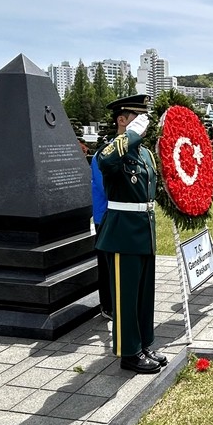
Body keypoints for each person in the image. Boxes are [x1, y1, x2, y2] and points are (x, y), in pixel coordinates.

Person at [96, 94, 166, 375]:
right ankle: (128, 352)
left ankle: (143, 344)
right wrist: (132, 134)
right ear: (121, 120)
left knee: (143, 294)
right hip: (122, 232)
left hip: (144, 231)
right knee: (126, 296)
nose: (142, 123)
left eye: (143, 118)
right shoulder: (110, 152)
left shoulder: (146, 154)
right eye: (136, 118)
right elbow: (107, 160)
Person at [90, 139, 110, 319]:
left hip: (117, 217)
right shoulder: (101, 156)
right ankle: (107, 306)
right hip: (104, 216)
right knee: (105, 263)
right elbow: (106, 188)